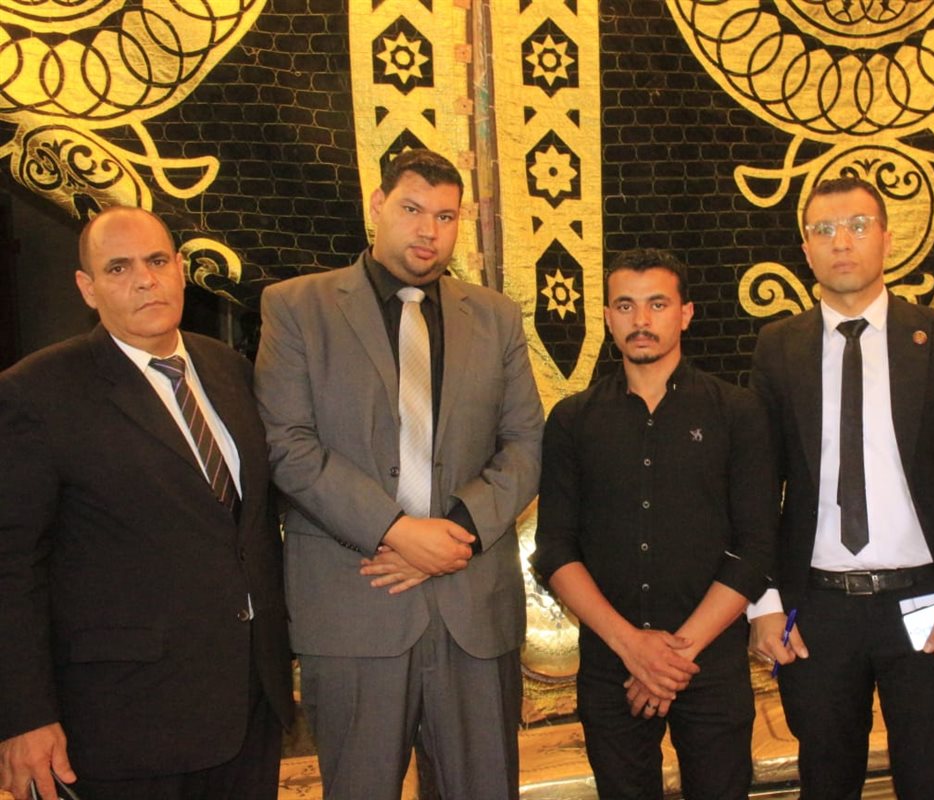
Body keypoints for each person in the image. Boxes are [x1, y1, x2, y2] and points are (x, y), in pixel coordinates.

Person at [254, 148, 543, 800]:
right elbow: (286, 444)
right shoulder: (297, 307)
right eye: (412, 209)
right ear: (378, 205)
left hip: (472, 608)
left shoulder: (495, 316)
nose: (428, 231)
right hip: (356, 603)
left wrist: (453, 535)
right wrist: (397, 531)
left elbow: (525, 443)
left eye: (445, 216)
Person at [0, 206, 293, 800]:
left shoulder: (230, 370)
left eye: (158, 261)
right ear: (87, 288)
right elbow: (11, 567)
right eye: (119, 268)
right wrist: (24, 716)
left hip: (247, 703)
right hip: (124, 720)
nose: (145, 280)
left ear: (181, 269)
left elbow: (249, 526)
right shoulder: (36, 393)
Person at [747, 177, 934, 799]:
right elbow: (757, 485)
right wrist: (764, 604)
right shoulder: (778, 346)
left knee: (932, 783)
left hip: (930, 601)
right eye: (823, 230)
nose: (840, 242)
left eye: (856, 226)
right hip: (818, 609)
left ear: (886, 239)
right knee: (826, 783)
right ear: (805, 248)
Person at [532, 248, 777, 799]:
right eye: (626, 305)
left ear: (685, 314)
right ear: (607, 317)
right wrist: (632, 648)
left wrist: (673, 658)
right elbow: (555, 549)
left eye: (657, 304)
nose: (641, 320)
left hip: (709, 663)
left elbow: (756, 547)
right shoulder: (572, 420)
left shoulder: (737, 412)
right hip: (611, 665)